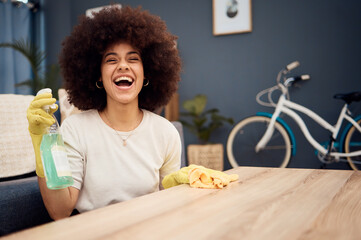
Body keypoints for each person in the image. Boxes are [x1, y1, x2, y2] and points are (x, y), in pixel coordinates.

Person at [27, 5, 182, 220]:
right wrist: (43, 145)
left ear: (147, 73)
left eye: (133, 59)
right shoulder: (75, 129)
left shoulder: (165, 132)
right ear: (98, 75)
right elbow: (60, 212)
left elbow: (172, 208)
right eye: (111, 60)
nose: (123, 66)